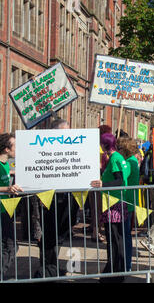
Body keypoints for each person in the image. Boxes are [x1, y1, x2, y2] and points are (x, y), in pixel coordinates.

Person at [34, 119, 80, 278]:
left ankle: (52, 268)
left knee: (60, 235)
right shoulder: (42, 148)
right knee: (47, 236)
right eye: (63, 134)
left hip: (66, 199)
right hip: (48, 199)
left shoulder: (73, 149)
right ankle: (46, 270)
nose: (66, 138)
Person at [90, 133, 129, 283]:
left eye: (101, 143)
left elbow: (119, 181)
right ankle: (114, 271)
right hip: (113, 203)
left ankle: (114, 273)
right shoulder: (115, 158)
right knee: (115, 239)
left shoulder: (115, 158)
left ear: (105, 144)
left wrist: (103, 185)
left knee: (114, 240)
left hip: (114, 204)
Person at [0, 133, 23, 279]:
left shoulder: (6, 165)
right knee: (9, 247)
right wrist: (7, 189)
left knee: (11, 246)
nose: (17, 149)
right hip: (1, 212)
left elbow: (8, 175)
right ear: (7, 149)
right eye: (15, 146)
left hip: (5, 210)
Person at [117, 137, 141, 272]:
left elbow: (121, 177)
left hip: (126, 201)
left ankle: (126, 265)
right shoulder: (131, 161)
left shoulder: (130, 162)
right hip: (128, 201)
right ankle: (126, 264)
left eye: (119, 148)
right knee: (125, 234)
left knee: (124, 235)